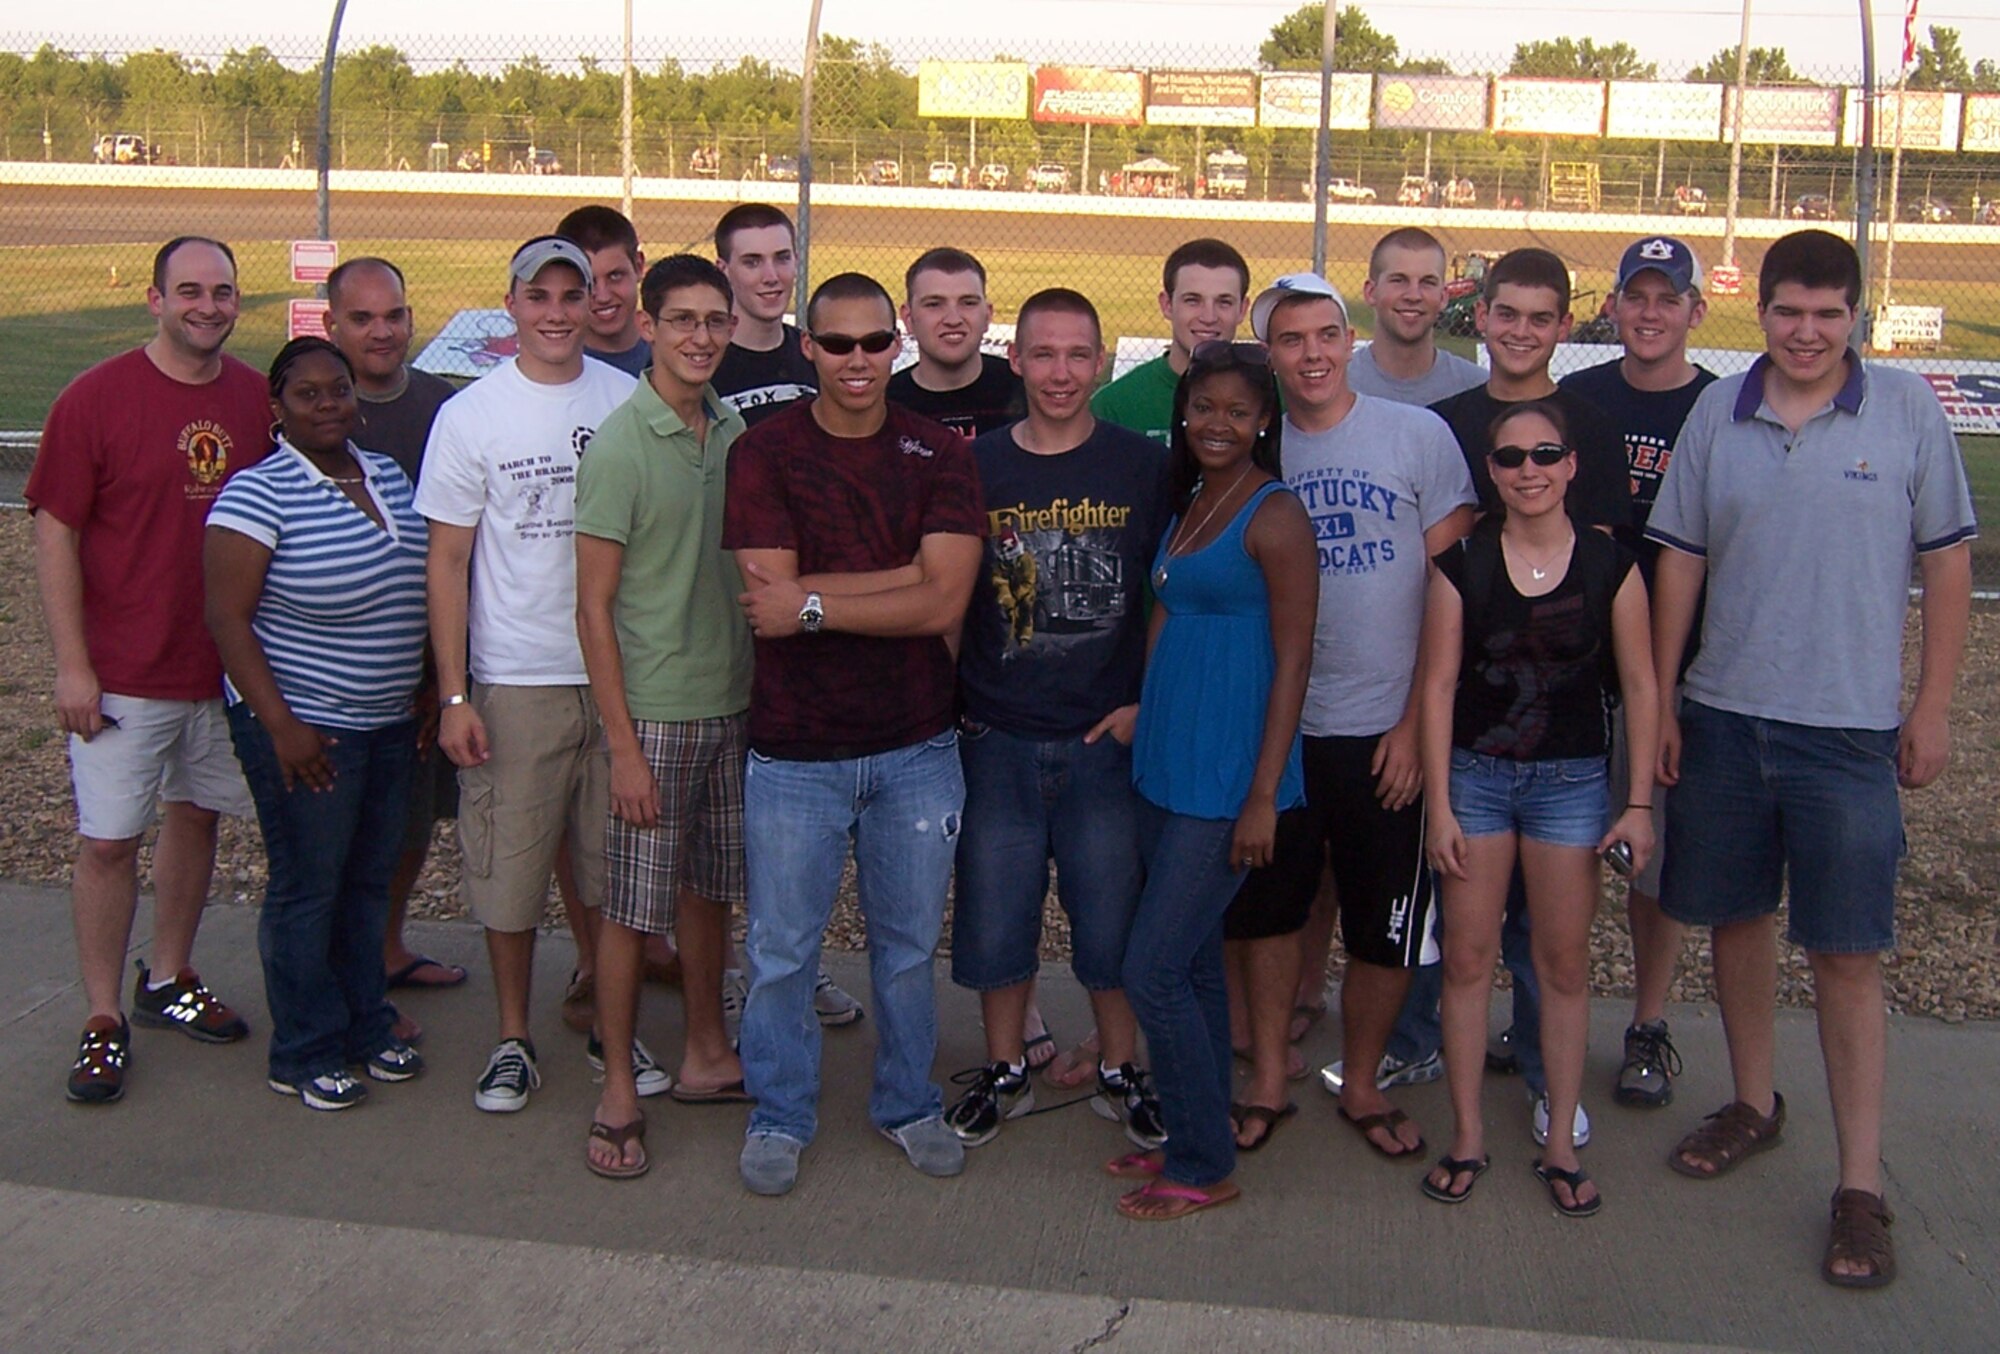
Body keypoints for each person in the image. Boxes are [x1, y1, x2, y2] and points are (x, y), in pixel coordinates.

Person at [1647, 230, 1975, 1288]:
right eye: (1788, 311)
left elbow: (1948, 565)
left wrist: (1929, 707)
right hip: (1723, 717)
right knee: (1735, 920)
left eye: (1827, 314)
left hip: (1845, 734)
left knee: (1845, 951)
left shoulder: (1906, 412)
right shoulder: (1719, 413)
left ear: (1855, 319)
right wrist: (1663, 702)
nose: (1805, 332)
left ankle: (1859, 1186)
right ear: (1761, 313)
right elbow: (1679, 563)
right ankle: (1753, 1101)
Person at [724, 272, 986, 1196]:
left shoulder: (937, 452)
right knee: (782, 951)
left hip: (917, 745)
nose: (858, 360)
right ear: (810, 348)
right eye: (838, 344)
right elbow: (765, 598)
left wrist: (814, 602)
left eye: (876, 342)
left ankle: (907, 1102)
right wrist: (898, 579)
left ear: (896, 343)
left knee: (907, 949)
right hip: (795, 752)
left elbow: (944, 602)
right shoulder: (764, 452)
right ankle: (780, 1111)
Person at [414, 236, 667, 1113]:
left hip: (618, 678)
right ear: (512, 305)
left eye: (573, 295)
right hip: (518, 678)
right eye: (539, 296)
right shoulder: (472, 415)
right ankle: (513, 1037)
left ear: (598, 302)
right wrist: (455, 695)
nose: (557, 313)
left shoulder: (627, 399)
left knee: (610, 869)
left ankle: (610, 1024)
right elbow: (448, 562)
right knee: (511, 871)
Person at [1240, 274, 1475, 1158]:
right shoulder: (1258, 450)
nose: (1311, 354)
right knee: (1271, 911)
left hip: (1385, 731)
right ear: (1271, 354)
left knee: (1385, 924)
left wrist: (1414, 725)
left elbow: (1454, 592)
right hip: (1284, 733)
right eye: (1290, 339)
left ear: (1350, 338)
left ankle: (1365, 1079)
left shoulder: (1416, 435)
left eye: (1325, 335)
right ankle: (1269, 1075)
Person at [30, 236, 268, 1106]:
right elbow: (56, 529)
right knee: (107, 843)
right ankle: (102, 1016)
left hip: (220, 668)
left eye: (223, 291)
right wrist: (73, 665)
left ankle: (168, 976)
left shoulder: (255, 399)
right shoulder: (95, 398)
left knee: (197, 818)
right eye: (190, 291)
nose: (209, 306)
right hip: (124, 672)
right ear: (156, 299)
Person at [1418, 400, 1657, 1217]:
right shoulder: (1462, 565)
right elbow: (1437, 687)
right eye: (1512, 458)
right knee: (1466, 961)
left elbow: (1641, 686)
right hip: (1477, 780)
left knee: (1560, 965)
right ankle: (1467, 1135)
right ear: (1491, 472)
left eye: (1546, 455)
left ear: (1571, 465)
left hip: (1571, 785)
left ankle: (1559, 1141)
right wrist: (1440, 806)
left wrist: (1637, 803)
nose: (1530, 471)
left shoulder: (1610, 566)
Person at [942, 287, 1169, 1150]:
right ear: (1016, 360)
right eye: (1043, 354)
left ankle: (1120, 1065)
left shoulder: (1140, 467)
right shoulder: (978, 465)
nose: (1062, 373)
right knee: (996, 914)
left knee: (1110, 918)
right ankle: (1005, 1066)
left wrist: (1146, 702)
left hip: (1101, 736)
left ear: (1103, 360)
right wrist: (954, 710)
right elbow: (954, 594)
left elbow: (1168, 591)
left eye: (1078, 355)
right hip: (1000, 732)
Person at [1426, 246, 1635, 1145]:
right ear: (1480, 316)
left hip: (1565, 737)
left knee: (1552, 949)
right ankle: (1443, 1078)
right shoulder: (1447, 425)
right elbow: (1440, 555)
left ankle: (1552, 1087)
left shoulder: (1592, 424)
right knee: (1463, 941)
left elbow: (1600, 565)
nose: (1518, 331)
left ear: (1563, 325)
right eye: (1503, 313)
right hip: (1474, 732)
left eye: (1539, 317)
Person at [1113, 340, 1316, 1220]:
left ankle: (1201, 1165)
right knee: (1192, 967)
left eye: (1237, 411)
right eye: (1203, 408)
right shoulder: (1194, 497)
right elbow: (1169, 613)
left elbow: (1295, 660)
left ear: (1265, 419)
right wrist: (1141, 714)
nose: (1217, 424)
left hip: (1228, 778)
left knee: (1150, 969)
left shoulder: (1275, 515)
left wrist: (1264, 794)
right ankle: (1197, 1132)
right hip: (1167, 764)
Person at [203, 337, 429, 1111]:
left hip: (388, 721)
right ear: (278, 407)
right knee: (310, 887)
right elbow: (227, 619)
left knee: (367, 881)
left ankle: (366, 1024)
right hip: (308, 727)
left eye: (339, 390)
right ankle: (303, 1050)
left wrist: (428, 685)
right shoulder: (257, 492)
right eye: (308, 394)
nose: (329, 405)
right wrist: (281, 726)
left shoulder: (387, 475)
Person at [574, 255, 753, 1179]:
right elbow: (592, 606)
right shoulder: (619, 447)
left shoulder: (732, 428)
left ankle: (707, 1050)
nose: (701, 337)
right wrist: (623, 746)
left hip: (734, 702)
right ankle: (617, 1086)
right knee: (631, 912)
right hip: (655, 713)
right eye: (682, 319)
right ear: (647, 326)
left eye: (715, 320)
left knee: (709, 894)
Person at [1558, 235, 1717, 1109]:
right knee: (1560, 856)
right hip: (1576, 665)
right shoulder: (1580, 397)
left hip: (1676, 668)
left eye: (1668, 298)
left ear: (1696, 310)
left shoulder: (1717, 408)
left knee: (1652, 870)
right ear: (1613, 305)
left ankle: (1648, 1023)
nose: (1650, 313)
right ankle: (1548, 1009)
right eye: (1636, 296)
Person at [322, 256, 468, 1017]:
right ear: (331, 326)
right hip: (334, 673)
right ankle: (334, 979)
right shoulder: (311, 408)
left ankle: (385, 947)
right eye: (362, 318)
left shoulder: (444, 408)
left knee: (411, 819)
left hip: (425, 663)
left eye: (394, 316)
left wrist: (445, 675)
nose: (381, 332)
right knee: (339, 831)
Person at [1090, 239, 1250, 445]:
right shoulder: (1115, 405)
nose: (1209, 317)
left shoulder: (1271, 398)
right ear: (1167, 305)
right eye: (1192, 300)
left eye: (1224, 302)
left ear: (1242, 309)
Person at [888, 247, 1023, 441]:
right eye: (934, 304)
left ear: (987, 315)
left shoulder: (1026, 392)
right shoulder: (885, 407)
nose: (953, 319)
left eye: (968, 303)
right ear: (908, 319)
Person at [1346, 228, 1485, 406]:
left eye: (1427, 282)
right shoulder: (1338, 385)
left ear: (1444, 297)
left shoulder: (1475, 389)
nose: (1413, 296)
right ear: (1371, 292)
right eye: (1398, 280)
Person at [711, 204, 818, 429]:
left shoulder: (815, 356)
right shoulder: (700, 361)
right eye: (752, 262)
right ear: (723, 270)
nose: (771, 277)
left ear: (796, 261)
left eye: (782, 258)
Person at [557, 204, 652, 378]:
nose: (603, 297)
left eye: (615, 276)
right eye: (588, 282)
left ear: (638, 266)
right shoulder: (554, 368)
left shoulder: (673, 356)